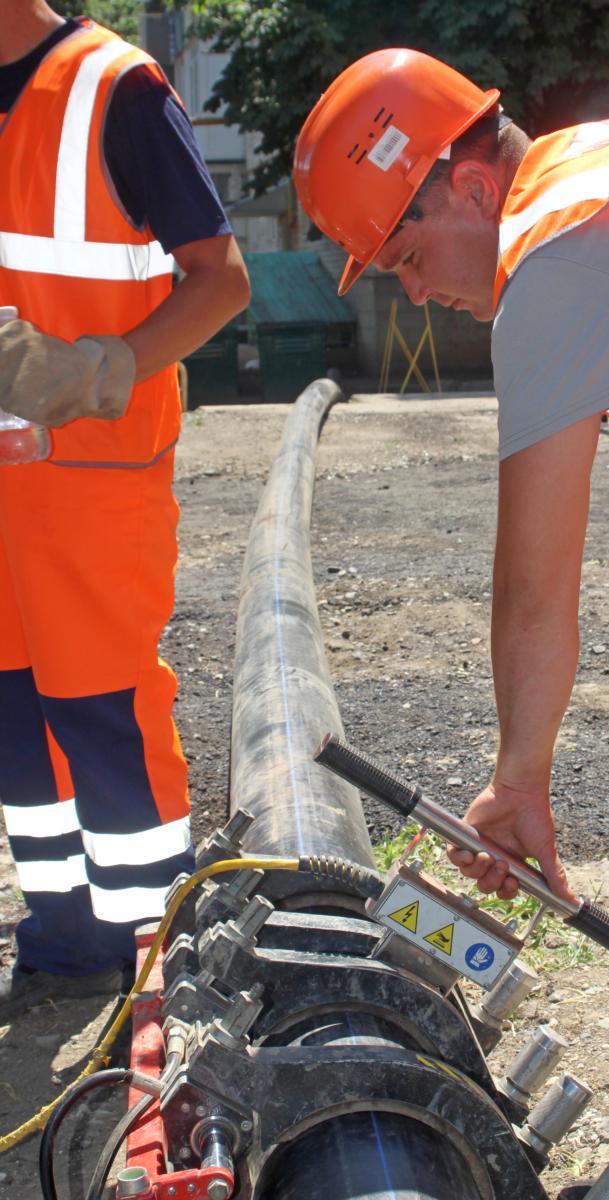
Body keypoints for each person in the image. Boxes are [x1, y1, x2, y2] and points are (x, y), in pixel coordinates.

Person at [292, 49, 609, 1200]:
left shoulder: (561, 259)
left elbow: (531, 585)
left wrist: (518, 778)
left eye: (407, 254)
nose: (413, 293)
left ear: (469, 185)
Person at [0, 2, 250, 1020]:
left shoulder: (116, 89)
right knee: (15, 721)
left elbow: (220, 280)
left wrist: (102, 368)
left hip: (88, 476)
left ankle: (162, 970)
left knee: (103, 715)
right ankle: (65, 942)